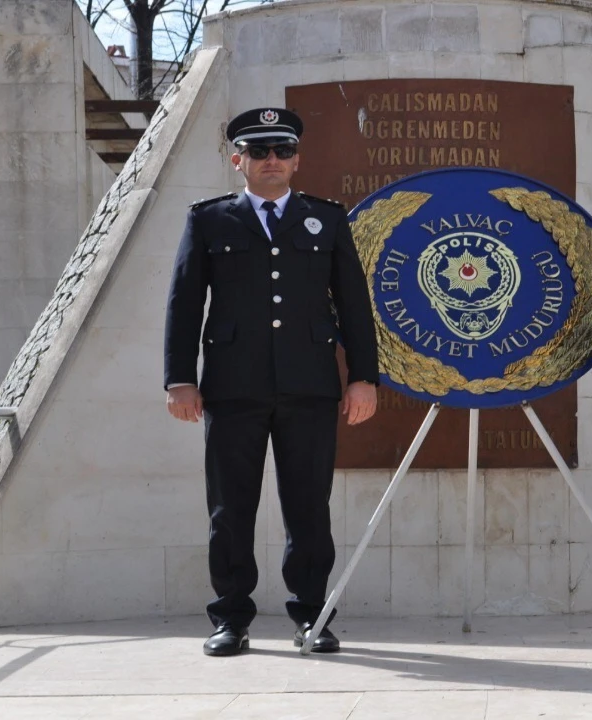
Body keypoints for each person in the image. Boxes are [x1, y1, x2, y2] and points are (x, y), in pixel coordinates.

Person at [164, 108, 379, 657]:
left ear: (297, 160)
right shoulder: (209, 219)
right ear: (238, 160)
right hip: (232, 387)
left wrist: (363, 377)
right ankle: (230, 618)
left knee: (309, 507)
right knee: (230, 508)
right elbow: (185, 302)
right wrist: (180, 379)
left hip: (310, 385)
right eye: (258, 152)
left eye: (282, 151)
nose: (272, 161)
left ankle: (312, 616)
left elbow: (354, 305)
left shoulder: (326, 218)